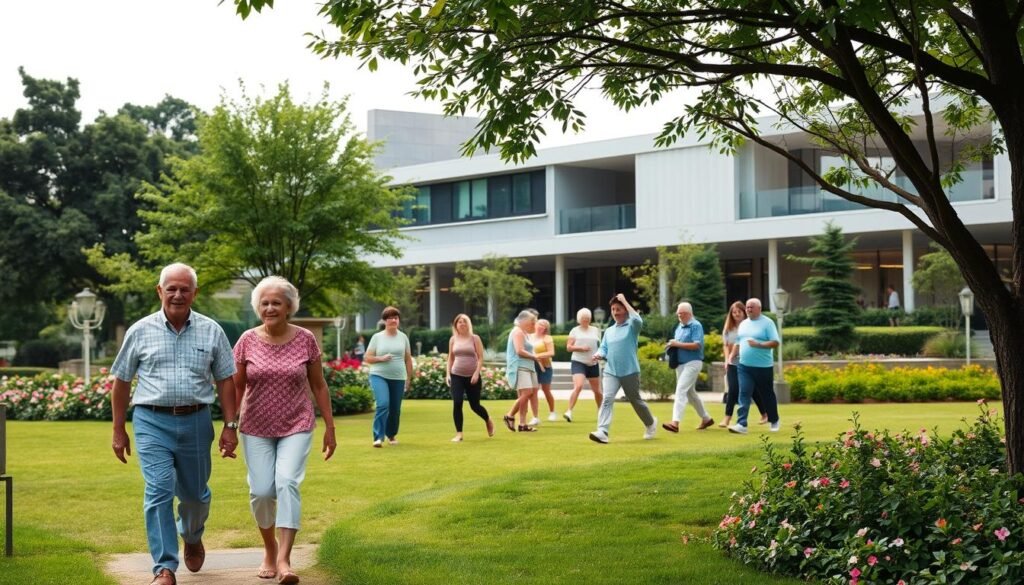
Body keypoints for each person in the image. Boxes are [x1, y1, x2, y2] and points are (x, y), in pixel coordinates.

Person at [110, 263, 239, 585]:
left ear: (194, 293)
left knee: (195, 496)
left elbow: (226, 381)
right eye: (172, 288)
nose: (178, 295)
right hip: (151, 421)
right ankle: (164, 568)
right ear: (160, 291)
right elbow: (122, 382)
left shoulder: (212, 331)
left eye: (184, 289)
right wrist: (117, 430)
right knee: (159, 491)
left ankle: (192, 536)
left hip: (196, 421)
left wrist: (230, 426)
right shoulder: (139, 330)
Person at [232, 277, 337, 583]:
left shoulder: (305, 339)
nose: (270, 307)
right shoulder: (246, 341)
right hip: (255, 426)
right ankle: (269, 548)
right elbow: (237, 388)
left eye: (276, 302)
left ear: (289, 306)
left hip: (297, 424)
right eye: (264, 302)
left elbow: (319, 385)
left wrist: (330, 427)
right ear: (257, 307)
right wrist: (229, 426)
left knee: (287, 482)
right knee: (262, 491)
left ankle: (284, 560)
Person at [588, 294, 657, 444]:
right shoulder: (609, 331)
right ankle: (603, 431)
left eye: (618, 309)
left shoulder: (632, 327)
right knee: (607, 399)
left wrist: (625, 300)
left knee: (635, 400)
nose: (615, 312)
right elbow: (604, 348)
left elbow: (638, 319)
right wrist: (598, 354)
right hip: (611, 371)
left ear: (625, 310)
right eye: (613, 309)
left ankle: (650, 424)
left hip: (630, 371)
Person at [728, 298, 781, 435]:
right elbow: (738, 342)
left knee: (767, 394)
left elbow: (775, 342)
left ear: (759, 308)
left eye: (752, 307)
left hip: (763, 367)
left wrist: (759, 344)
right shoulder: (744, 324)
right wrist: (732, 356)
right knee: (744, 393)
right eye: (747, 307)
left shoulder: (767, 323)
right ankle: (742, 424)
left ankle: (774, 420)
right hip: (744, 366)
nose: (748, 309)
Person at [364, 306, 414, 447]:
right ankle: (378, 437)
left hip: (398, 377)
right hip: (379, 375)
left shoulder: (403, 337)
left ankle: (391, 435)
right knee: (383, 404)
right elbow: (367, 358)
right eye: (390, 318)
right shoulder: (377, 337)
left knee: (395, 409)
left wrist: (408, 378)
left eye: (396, 318)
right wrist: (381, 358)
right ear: (385, 320)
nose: (393, 320)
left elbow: (408, 359)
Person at [662, 302, 714, 433]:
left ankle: (675, 422)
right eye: (678, 313)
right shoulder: (679, 327)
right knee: (691, 394)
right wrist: (671, 344)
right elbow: (678, 343)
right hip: (680, 364)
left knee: (680, 390)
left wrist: (677, 344)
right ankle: (706, 418)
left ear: (689, 314)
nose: (680, 316)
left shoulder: (696, 326)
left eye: (682, 313)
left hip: (693, 362)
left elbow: (697, 345)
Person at [445, 313, 494, 442]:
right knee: (457, 402)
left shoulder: (475, 338)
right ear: (456, 325)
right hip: (456, 375)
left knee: (475, 406)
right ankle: (459, 434)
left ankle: (488, 420)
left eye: (464, 321)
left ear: (468, 324)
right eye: (459, 322)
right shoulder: (453, 339)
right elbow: (451, 358)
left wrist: (477, 373)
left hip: (473, 376)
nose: (462, 323)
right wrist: (448, 374)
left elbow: (480, 357)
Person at [719, 301, 766, 428]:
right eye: (734, 312)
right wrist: (727, 359)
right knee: (733, 389)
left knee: (753, 390)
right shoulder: (728, 328)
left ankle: (765, 414)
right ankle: (727, 418)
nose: (736, 315)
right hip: (732, 363)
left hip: (747, 362)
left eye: (738, 312)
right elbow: (726, 345)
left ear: (744, 312)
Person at [503, 310, 543, 432]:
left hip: (528, 367)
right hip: (520, 367)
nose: (534, 324)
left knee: (527, 394)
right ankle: (509, 415)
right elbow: (519, 350)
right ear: (525, 322)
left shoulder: (525, 333)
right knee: (527, 393)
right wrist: (534, 357)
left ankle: (522, 424)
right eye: (532, 322)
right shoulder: (517, 332)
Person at [564, 308, 602, 422]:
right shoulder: (574, 331)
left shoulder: (596, 330)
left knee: (597, 391)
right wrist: (581, 348)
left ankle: (601, 412)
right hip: (578, 362)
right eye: (583, 318)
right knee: (579, 386)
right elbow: (569, 347)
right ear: (579, 319)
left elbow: (601, 345)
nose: (586, 320)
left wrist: (599, 354)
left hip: (593, 362)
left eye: (588, 318)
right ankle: (569, 411)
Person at [528, 318, 558, 423]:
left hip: (545, 367)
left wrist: (537, 355)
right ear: (536, 325)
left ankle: (552, 412)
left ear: (546, 329)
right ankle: (535, 417)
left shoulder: (547, 338)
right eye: (540, 324)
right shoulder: (529, 337)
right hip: (532, 366)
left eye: (544, 325)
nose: (541, 327)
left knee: (546, 390)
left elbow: (551, 352)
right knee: (533, 391)